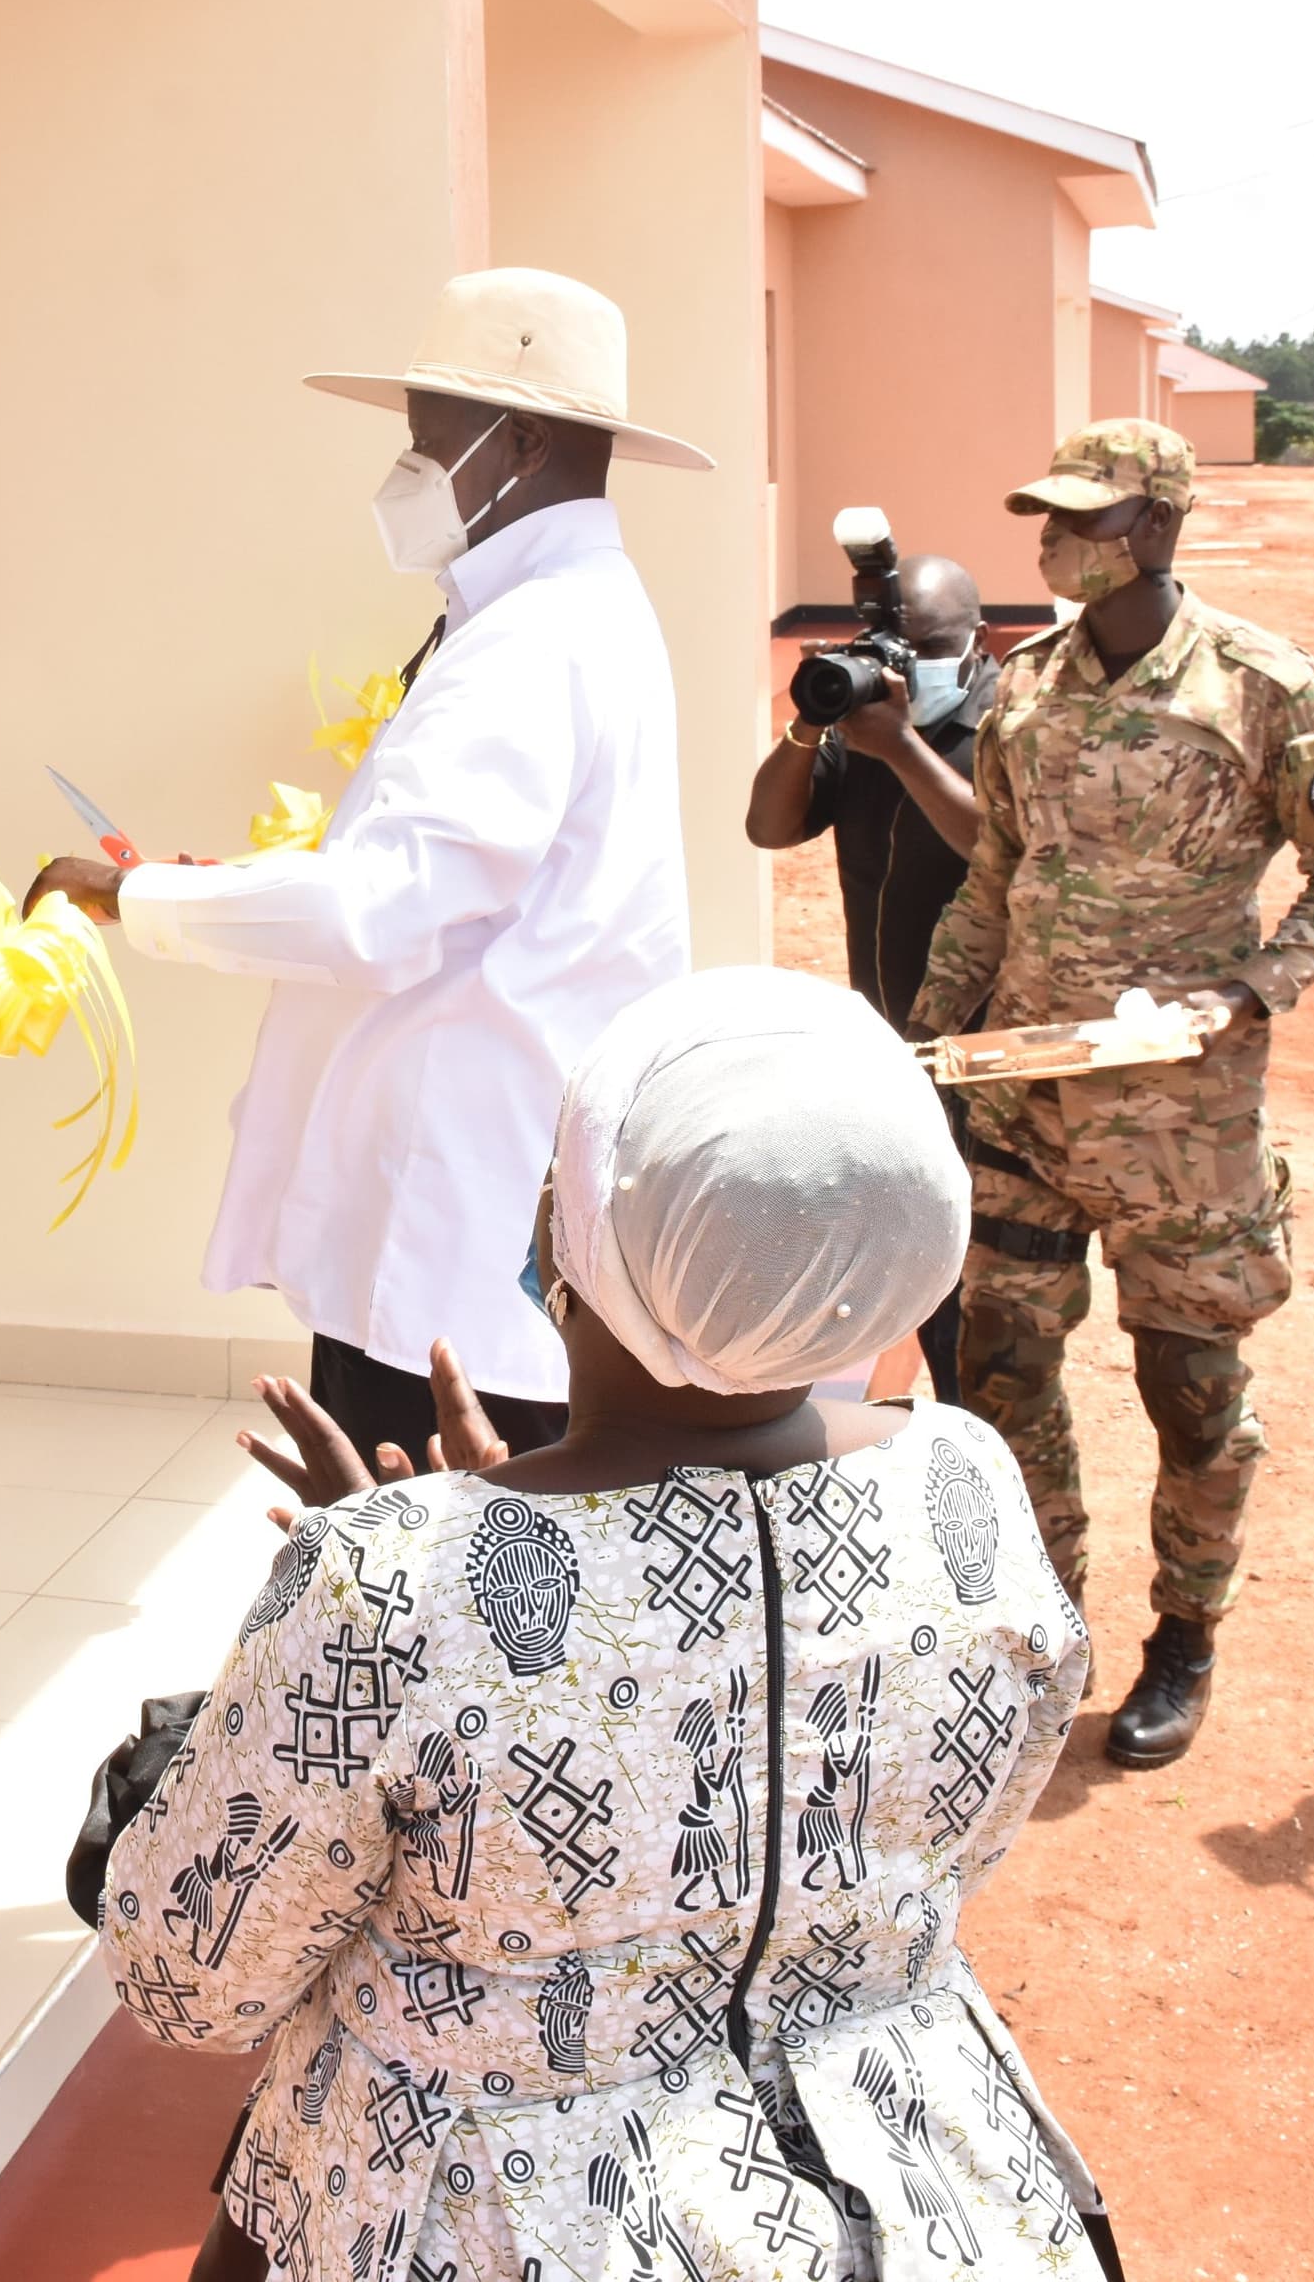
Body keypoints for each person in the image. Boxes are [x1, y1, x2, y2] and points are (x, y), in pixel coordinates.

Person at [99, 968, 1113, 2282]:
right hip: (919, 2198)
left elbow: (191, 1984)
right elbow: (955, 1832)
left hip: (484, 2223)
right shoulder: (964, 1480)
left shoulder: (390, 1582)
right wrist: (454, 1574)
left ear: (564, 1224)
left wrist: (398, 1598)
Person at [32, 269, 699, 1461]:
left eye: (428, 443)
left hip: (452, 1238)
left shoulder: (534, 639)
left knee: (422, 1601)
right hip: (481, 1208)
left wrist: (134, 896)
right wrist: (246, 881)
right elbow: (433, 871)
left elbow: (382, 913)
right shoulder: (558, 610)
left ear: (523, 444)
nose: (404, 472)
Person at [907, 418, 1314, 1771]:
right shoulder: (1031, 680)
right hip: (1025, 1099)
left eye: (1084, 517)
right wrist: (932, 1039)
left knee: (1189, 1383)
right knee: (1004, 1375)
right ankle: (1042, 1626)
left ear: (1162, 528)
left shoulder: (1258, 685)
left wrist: (1250, 992)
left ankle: (1185, 1634)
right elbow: (996, 878)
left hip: (1181, 1120)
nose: (1053, 537)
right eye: (1048, 516)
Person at [749, 552, 993, 1399]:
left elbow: (993, 844)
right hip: (891, 1047)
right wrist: (813, 726)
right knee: (902, 1255)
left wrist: (902, 748)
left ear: (976, 643)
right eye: (888, 645)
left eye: (924, 645)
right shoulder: (865, 724)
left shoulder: (1007, 723)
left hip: (989, 1052)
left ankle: (975, 1438)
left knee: (979, 1283)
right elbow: (768, 827)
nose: (900, 664)